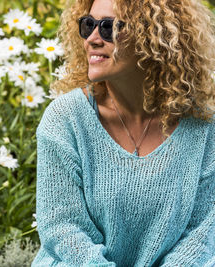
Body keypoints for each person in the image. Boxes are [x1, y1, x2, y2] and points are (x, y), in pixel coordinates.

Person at [31, 0, 215, 266]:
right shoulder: (65, 119)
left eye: (109, 28)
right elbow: (63, 228)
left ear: (154, 36)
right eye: (88, 25)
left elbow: (202, 234)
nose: (93, 38)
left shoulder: (203, 127)